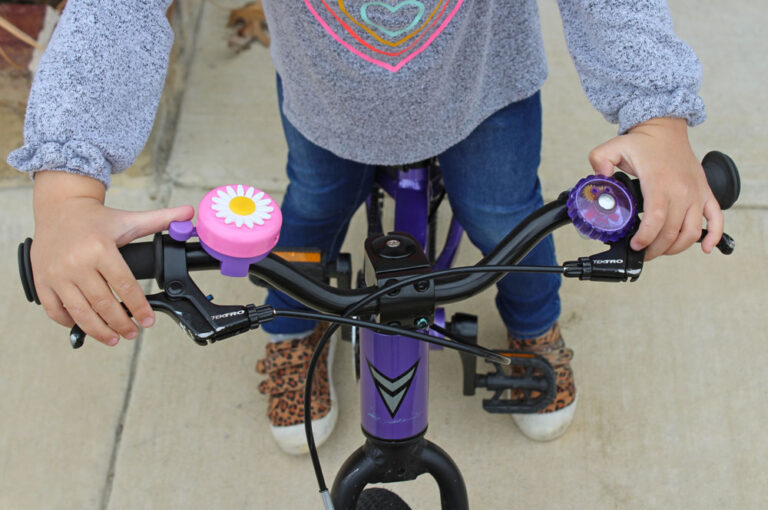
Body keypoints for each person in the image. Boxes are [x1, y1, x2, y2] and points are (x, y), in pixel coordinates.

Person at [8, 0, 724, 454]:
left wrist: (654, 113)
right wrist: (70, 189)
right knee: (307, 220)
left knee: (510, 220)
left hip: (484, 94)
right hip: (328, 107)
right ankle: (293, 333)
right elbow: (116, 12)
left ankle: (535, 327)